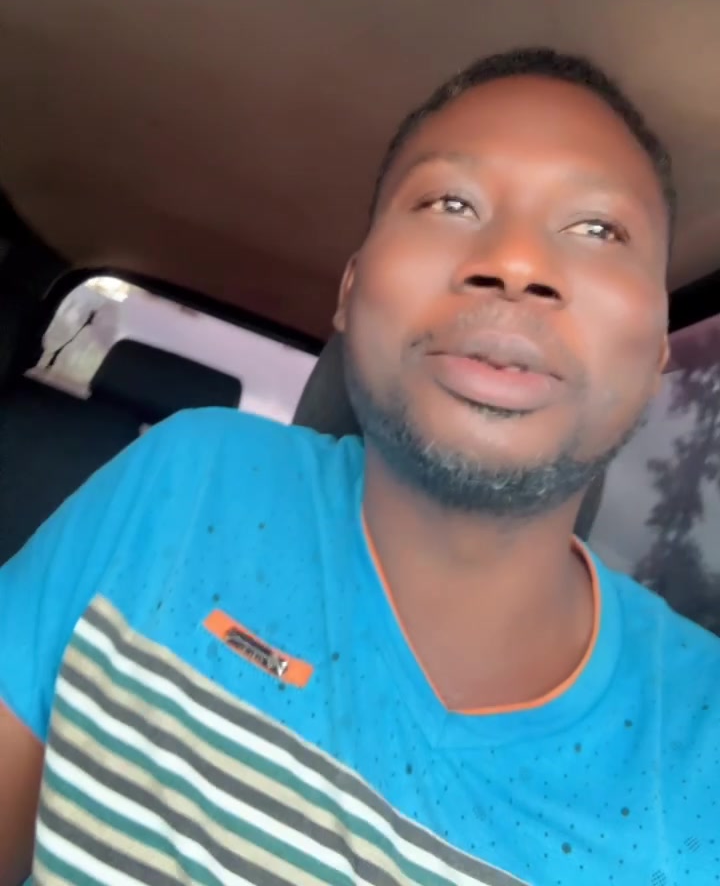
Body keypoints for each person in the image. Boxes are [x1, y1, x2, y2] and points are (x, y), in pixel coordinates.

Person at [0, 47, 717, 886]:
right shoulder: (190, 480)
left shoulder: (699, 748)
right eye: (450, 202)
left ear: (658, 350)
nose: (517, 264)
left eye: (599, 230)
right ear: (349, 292)